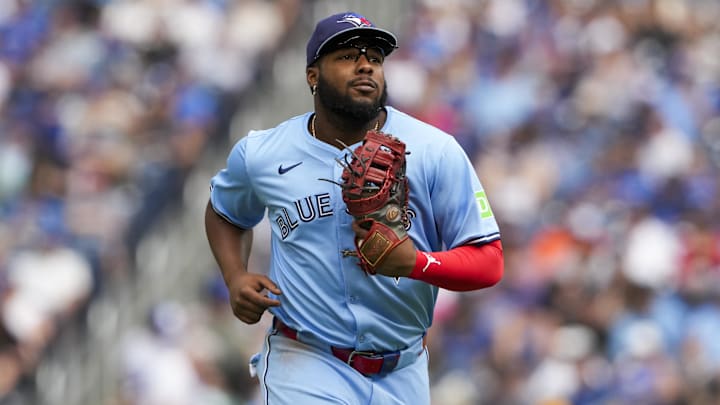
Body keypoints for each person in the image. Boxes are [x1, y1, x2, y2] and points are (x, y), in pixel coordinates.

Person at [204, 11, 504, 404]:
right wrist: (235, 277)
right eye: (347, 56)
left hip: (403, 366)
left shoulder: (434, 150)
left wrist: (414, 263)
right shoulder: (262, 153)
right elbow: (225, 212)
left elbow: (489, 262)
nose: (365, 65)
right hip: (307, 359)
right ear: (313, 75)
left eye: (375, 59)